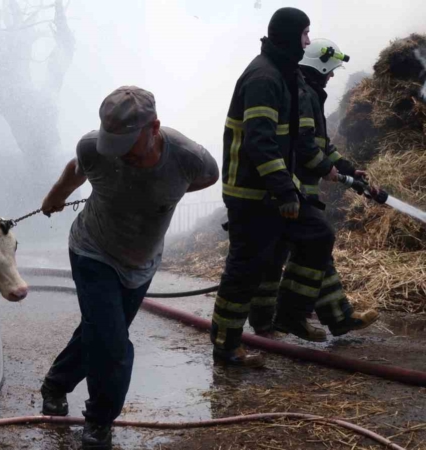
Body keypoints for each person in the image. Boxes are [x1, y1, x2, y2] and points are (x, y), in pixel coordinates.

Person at [38, 85, 219, 449]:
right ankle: (99, 423)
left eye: (127, 146)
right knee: (112, 344)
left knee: (102, 332)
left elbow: (208, 179)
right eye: (113, 144)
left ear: (154, 128)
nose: (118, 156)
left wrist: (160, 196)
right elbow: (76, 169)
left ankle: (56, 383)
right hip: (93, 251)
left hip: (141, 262)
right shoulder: (93, 148)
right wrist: (54, 197)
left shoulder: (188, 158)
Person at [210, 7, 338, 366]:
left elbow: (300, 137)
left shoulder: (287, 74)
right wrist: (285, 190)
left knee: (318, 235)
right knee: (245, 268)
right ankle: (225, 345)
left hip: (278, 188)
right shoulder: (263, 77)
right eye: (305, 34)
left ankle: (292, 314)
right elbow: (259, 141)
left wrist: (327, 167)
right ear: (289, 35)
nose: (309, 41)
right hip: (251, 193)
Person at [247, 38, 379, 338]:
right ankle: (271, 323)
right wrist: (326, 169)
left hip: (299, 189)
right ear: (318, 68)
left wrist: (345, 168)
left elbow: (319, 143)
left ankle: (338, 317)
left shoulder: (310, 94)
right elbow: (303, 146)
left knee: (314, 250)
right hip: (287, 189)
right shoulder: (301, 93)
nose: (333, 75)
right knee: (286, 251)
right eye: (330, 70)